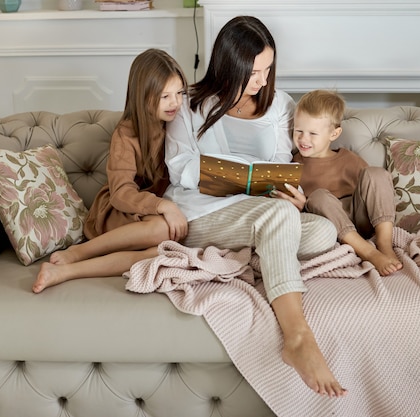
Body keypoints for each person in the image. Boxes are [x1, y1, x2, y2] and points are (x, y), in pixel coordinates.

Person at [164, 16, 347, 398]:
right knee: (280, 218)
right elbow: (180, 168)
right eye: (255, 72)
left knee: (324, 231)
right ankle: (297, 336)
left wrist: (290, 193)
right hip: (201, 212)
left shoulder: (279, 104)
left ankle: (253, 251)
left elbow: (282, 166)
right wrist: (236, 178)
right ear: (231, 65)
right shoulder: (191, 105)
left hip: (260, 213)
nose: (263, 81)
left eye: (268, 70)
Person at [32, 48, 189, 294]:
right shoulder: (126, 132)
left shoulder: (177, 125)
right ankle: (77, 252)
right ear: (143, 96)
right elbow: (121, 192)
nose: (176, 103)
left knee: (160, 251)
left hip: (147, 219)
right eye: (164, 96)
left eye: (179, 93)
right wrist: (164, 206)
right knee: (162, 229)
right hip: (118, 210)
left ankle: (64, 272)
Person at [276, 89, 403, 276]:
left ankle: (384, 244)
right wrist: (303, 206)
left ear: (334, 134)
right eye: (298, 131)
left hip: (362, 221)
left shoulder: (348, 158)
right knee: (317, 196)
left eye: (313, 133)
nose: (303, 139)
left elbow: (374, 190)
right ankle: (369, 252)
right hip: (331, 228)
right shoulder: (293, 165)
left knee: (376, 173)